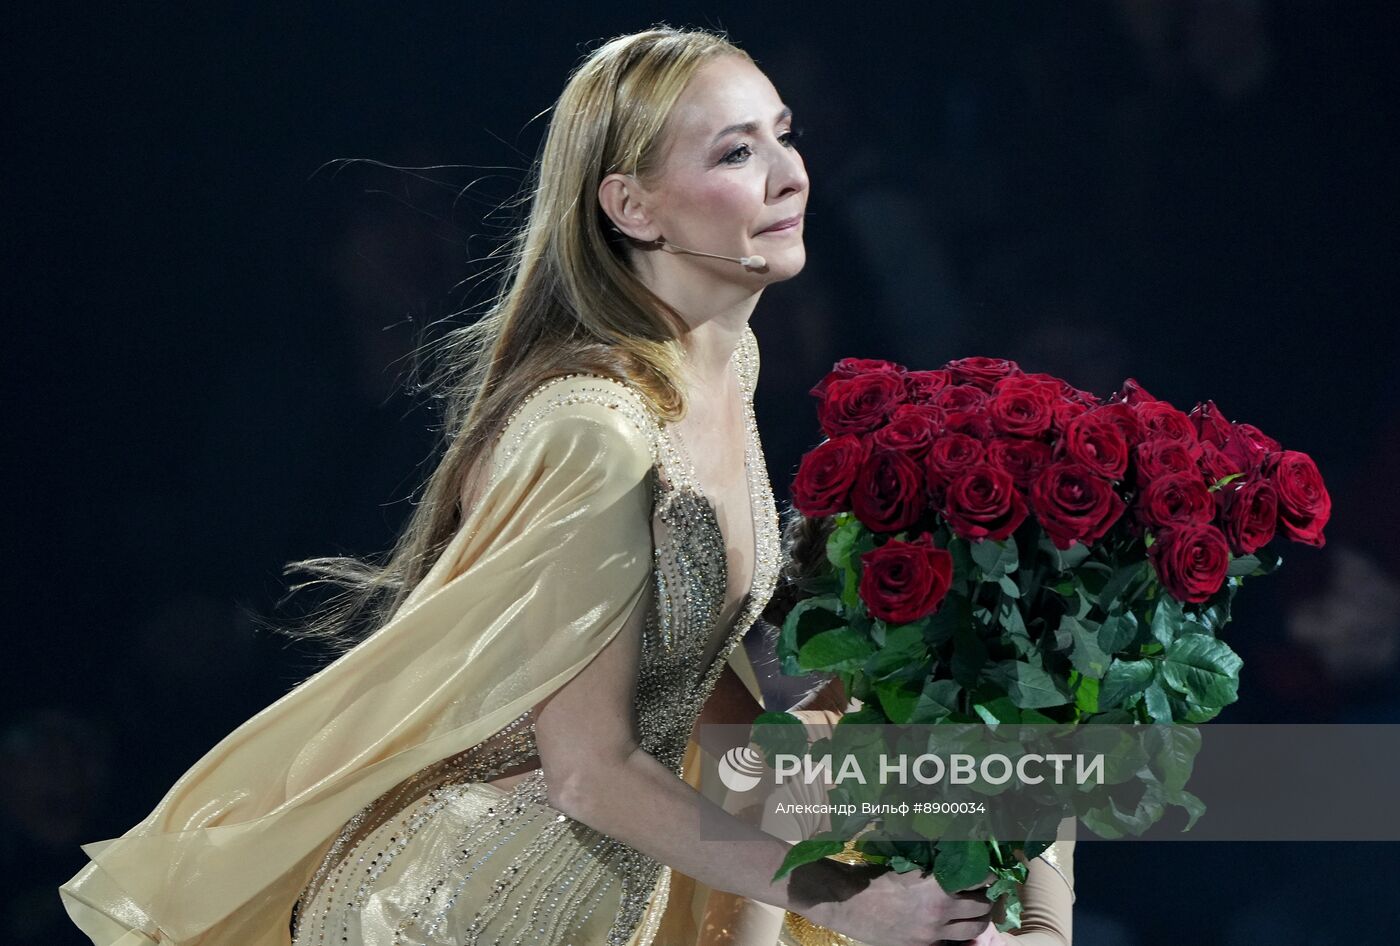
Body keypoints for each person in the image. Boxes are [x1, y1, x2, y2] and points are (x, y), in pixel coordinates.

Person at [57, 26, 994, 946]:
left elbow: (699, 688)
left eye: (784, 134)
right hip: (461, 912)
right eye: (737, 151)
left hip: (586, 908)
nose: (789, 173)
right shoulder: (594, 430)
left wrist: (947, 791)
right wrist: (852, 903)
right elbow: (592, 770)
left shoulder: (724, 364)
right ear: (631, 206)